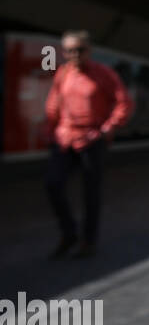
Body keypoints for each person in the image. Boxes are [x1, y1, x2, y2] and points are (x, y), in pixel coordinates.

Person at [44, 30, 133, 258]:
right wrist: (50, 130)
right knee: (53, 184)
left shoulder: (104, 74)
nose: (75, 54)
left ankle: (88, 240)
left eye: (80, 50)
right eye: (70, 50)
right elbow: (54, 105)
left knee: (90, 193)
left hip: (92, 141)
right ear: (64, 52)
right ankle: (69, 232)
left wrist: (107, 129)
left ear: (89, 50)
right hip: (64, 139)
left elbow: (123, 103)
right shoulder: (62, 74)